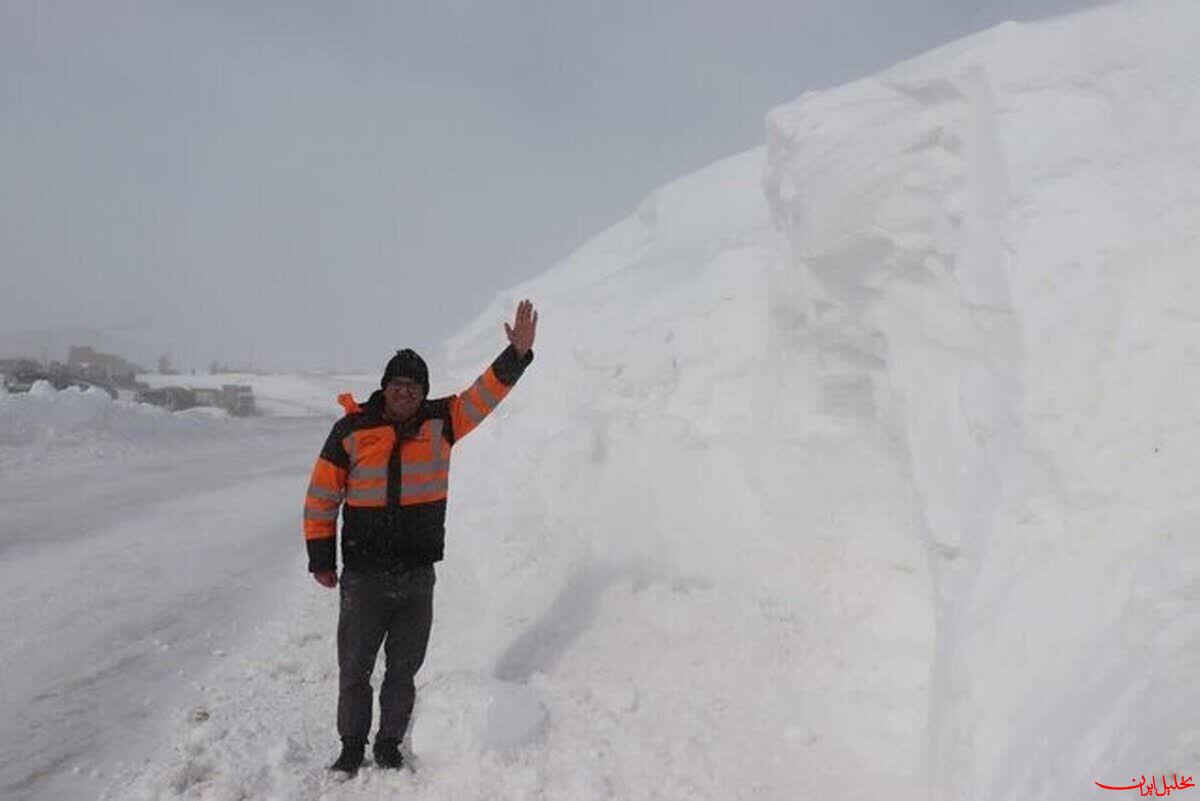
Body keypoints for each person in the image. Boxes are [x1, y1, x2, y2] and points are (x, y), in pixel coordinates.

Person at [302, 299, 538, 775]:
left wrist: (515, 356)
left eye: (414, 386)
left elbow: (481, 396)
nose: (405, 392)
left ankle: (388, 744)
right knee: (354, 669)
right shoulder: (351, 431)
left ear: (424, 392)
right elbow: (321, 497)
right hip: (364, 576)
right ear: (384, 388)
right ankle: (351, 746)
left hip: (415, 575)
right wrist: (321, 558)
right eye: (397, 384)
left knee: (402, 671)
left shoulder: (441, 423)